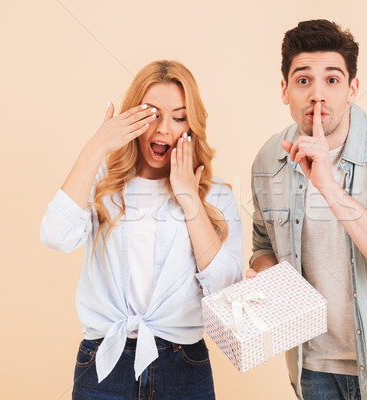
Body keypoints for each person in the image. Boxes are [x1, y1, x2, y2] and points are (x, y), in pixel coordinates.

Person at [248, 20, 367, 400]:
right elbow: (263, 244)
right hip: (312, 368)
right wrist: (262, 279)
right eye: (303, 80)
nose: (317, 94)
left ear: (352, 89)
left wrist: (329, 188)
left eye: (332, 80)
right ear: (285, 90)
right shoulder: (270, 159)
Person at [40, 60, 243, 400]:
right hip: (104, 361)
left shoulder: (216, 193)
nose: (164, 129)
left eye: (179, 117)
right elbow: (55, 235)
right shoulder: (102, 185)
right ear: (131, 119)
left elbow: (226, 290)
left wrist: (189, 199)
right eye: (152, 114)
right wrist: (96, 148)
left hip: (183, 365)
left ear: (192, 125)